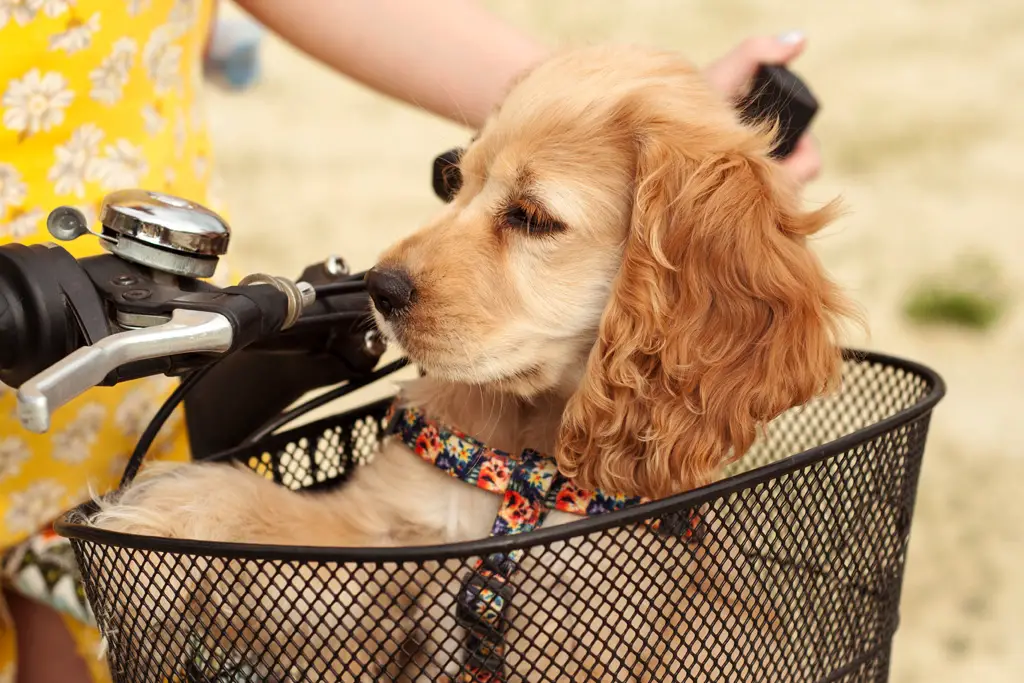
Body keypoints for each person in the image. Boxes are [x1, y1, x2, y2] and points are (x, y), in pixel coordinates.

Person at [0, 1, 821, 681]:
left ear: (668, 280)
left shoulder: (687, 328)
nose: (398, 272)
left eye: (529, 218)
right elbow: (354, 588)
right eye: (460, 183)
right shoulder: (455, 416)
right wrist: (209, 524)